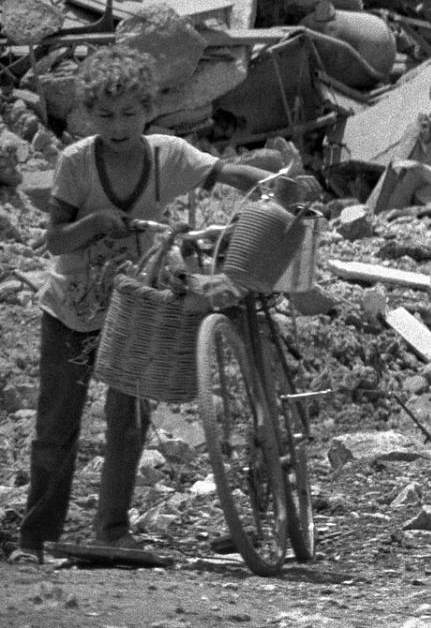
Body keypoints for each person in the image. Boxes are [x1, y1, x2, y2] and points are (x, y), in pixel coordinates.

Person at [14, 47, 316, 566]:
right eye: (105, 116)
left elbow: (229, 174)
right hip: (70, 307)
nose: (118, 125)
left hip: (132, 307)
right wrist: (94, 223)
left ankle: (110, 530)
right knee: (56, 425)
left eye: (130, 113)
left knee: (128, 417)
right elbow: (56, 241)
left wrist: (278, 186)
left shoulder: (167, 156)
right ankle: (36, 540)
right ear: (88, 114)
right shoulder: (76, 163)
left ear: (148, 110)